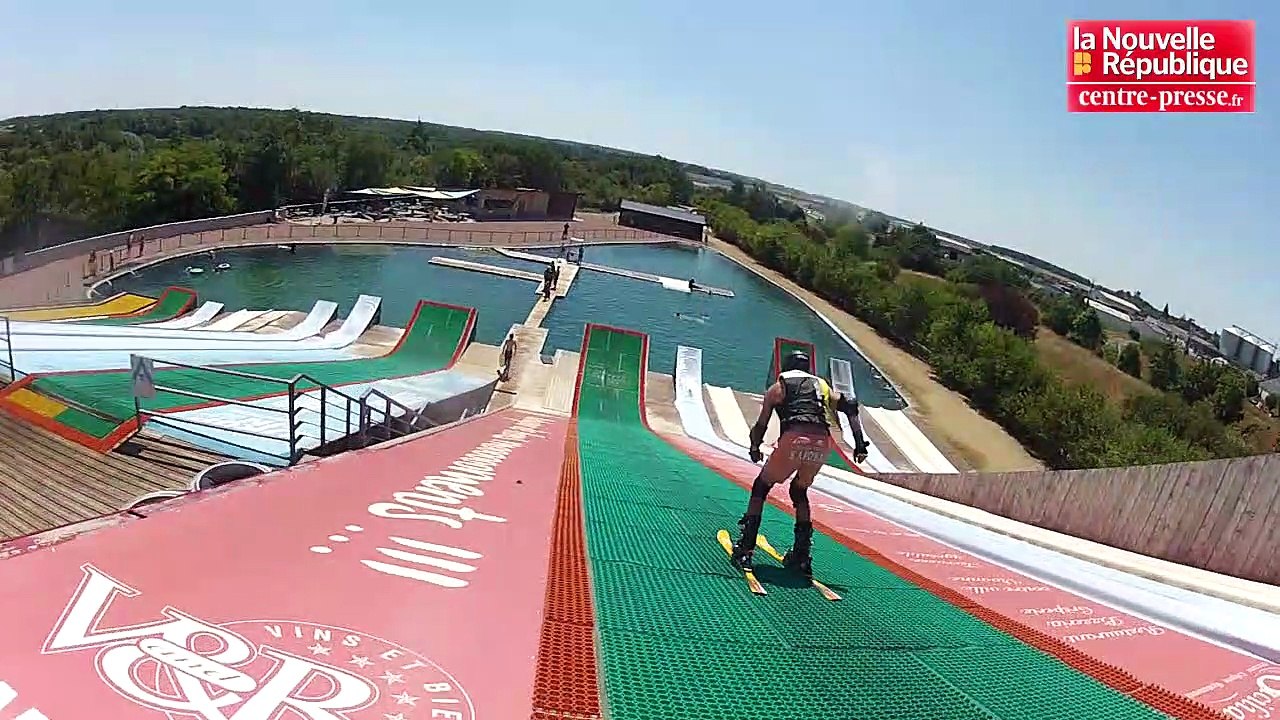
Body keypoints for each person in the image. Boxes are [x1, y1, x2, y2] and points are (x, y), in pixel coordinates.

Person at [730, 350, 869, 577]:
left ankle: (746, 548)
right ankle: (802, 556)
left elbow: (762, 424)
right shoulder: (822, 386)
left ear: (784, 366)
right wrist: (859, 442)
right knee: (799, 490)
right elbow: (850, 404)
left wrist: (755, 447)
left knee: (761, 486)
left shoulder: (779, 386)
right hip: (822, 443)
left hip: (795, 437)